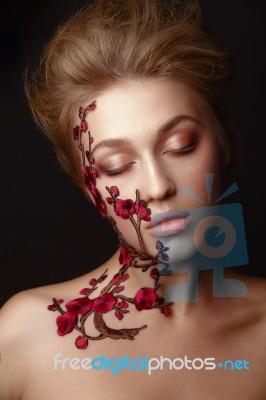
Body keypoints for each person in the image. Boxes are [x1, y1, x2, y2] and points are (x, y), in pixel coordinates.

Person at [0, 0, 265, 399]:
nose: (157, 186)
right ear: (87, 186)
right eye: (117, 166)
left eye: (181, 146)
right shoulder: (25, 337)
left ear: (225, 145)